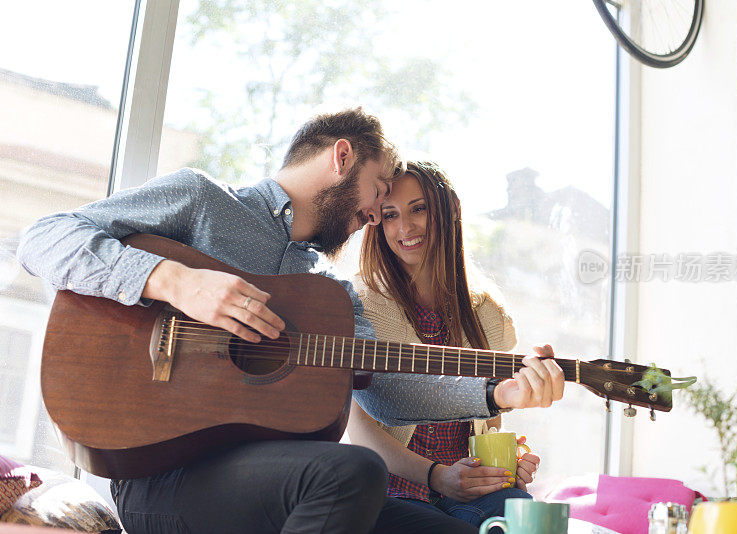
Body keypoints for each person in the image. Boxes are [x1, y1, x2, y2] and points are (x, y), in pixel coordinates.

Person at [17, 108, 564, 534]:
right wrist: (175, 281)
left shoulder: (329, 294)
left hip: (276, 483)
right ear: (342, 157)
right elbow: (44, 239)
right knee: (353, 471)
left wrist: (498, 392)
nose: (376, 215)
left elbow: (389, 393)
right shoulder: (202, 202)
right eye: (378, 191)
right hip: (162, 481)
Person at [348, 161, 558, 530]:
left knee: (527, 519)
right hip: (392, 493)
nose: (405, 227)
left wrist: (506, 469)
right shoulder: (360, 304)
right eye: (390, 214)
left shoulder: (488, 314)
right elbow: (359, 429)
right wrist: (437, 476)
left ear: (451, 210)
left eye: (419, 208)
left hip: (468, 494)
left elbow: (489, 424)